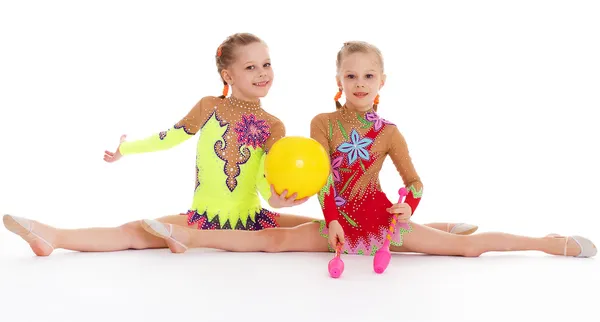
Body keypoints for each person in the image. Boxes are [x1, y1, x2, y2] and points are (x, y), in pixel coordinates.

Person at [138, 41, 596, 259]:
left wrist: (406, 206)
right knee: (272, 240)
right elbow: (322, 180)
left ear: (381, 82)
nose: (359, 84)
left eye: (368, 76)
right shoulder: (322, 123)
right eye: (350, 76)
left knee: (466, 251)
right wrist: (333, 220)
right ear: (339, 82)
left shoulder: (390, 132)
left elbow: (415, 182)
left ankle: (548, 243)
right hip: (339, 221)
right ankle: (192, 236)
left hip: (378, 220)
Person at [2, 33, 315, 256]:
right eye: (251, 67)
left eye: (267, 64)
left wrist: (277, 200)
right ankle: (52, 236)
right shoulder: (210, 106)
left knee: (319, 227)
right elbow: (169, 137)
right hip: (203, 219)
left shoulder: (273, 125)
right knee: (133, 232)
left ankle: (360, 237)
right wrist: (128, 148)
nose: (263, 73)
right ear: (227, 75)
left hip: (246, 224)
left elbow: (263, 180)